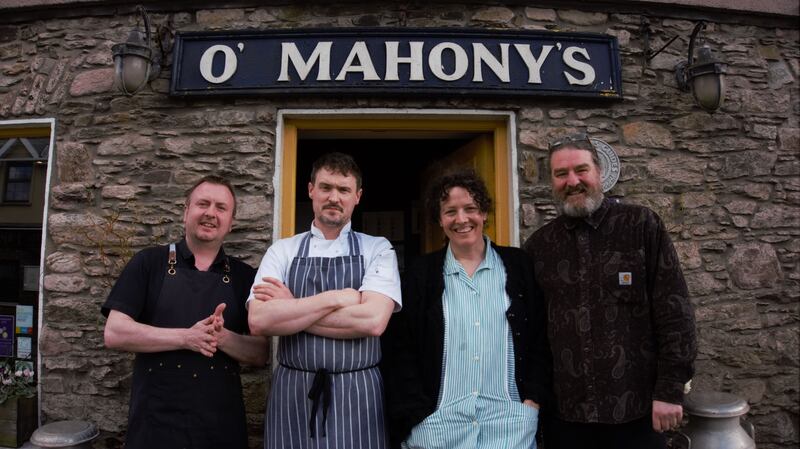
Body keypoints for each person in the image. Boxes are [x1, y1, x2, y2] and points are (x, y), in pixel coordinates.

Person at [522, 133, 697, 449]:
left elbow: (675, 313)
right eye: (561, 174)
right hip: (566, 418)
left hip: (639, 412)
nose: (572, 181)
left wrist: (670, 390)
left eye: (581, 170)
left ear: (598, 173)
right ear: (552, 182)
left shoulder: (641, 226)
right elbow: (534, 334)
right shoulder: (539, 246)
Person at [382, 169, 551, 449]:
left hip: (510, 429)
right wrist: (416, 417)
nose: (461, 219)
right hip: (437, 431)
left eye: (470, 209)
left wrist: (531, 403)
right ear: (439, 219)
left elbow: (540, 341)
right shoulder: (419, 274)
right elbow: (400, 351)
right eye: (450, 211)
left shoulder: (519, 265)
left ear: (484, 212)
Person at [248, 152, 402, 449]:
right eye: (326, 187)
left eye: (343, 190)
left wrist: (292, 308)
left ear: (357, 196)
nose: (334, 197)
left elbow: (372, 322)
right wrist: (340, 298)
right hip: (293, 393)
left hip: (359, 393)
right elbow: (259, 320)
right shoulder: (282, 251)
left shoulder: (378, 249)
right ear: (310, 190)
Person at [102, 175, 268, 449]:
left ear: (231, 222)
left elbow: (260, 354)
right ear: (185, 212)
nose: (210, 213)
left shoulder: (245, 276)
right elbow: (115, 332)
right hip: (155, 425)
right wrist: (186, 338)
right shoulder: (148, 263)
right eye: (203, 204)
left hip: (220, 428)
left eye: (220, 208)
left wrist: (222, 337)